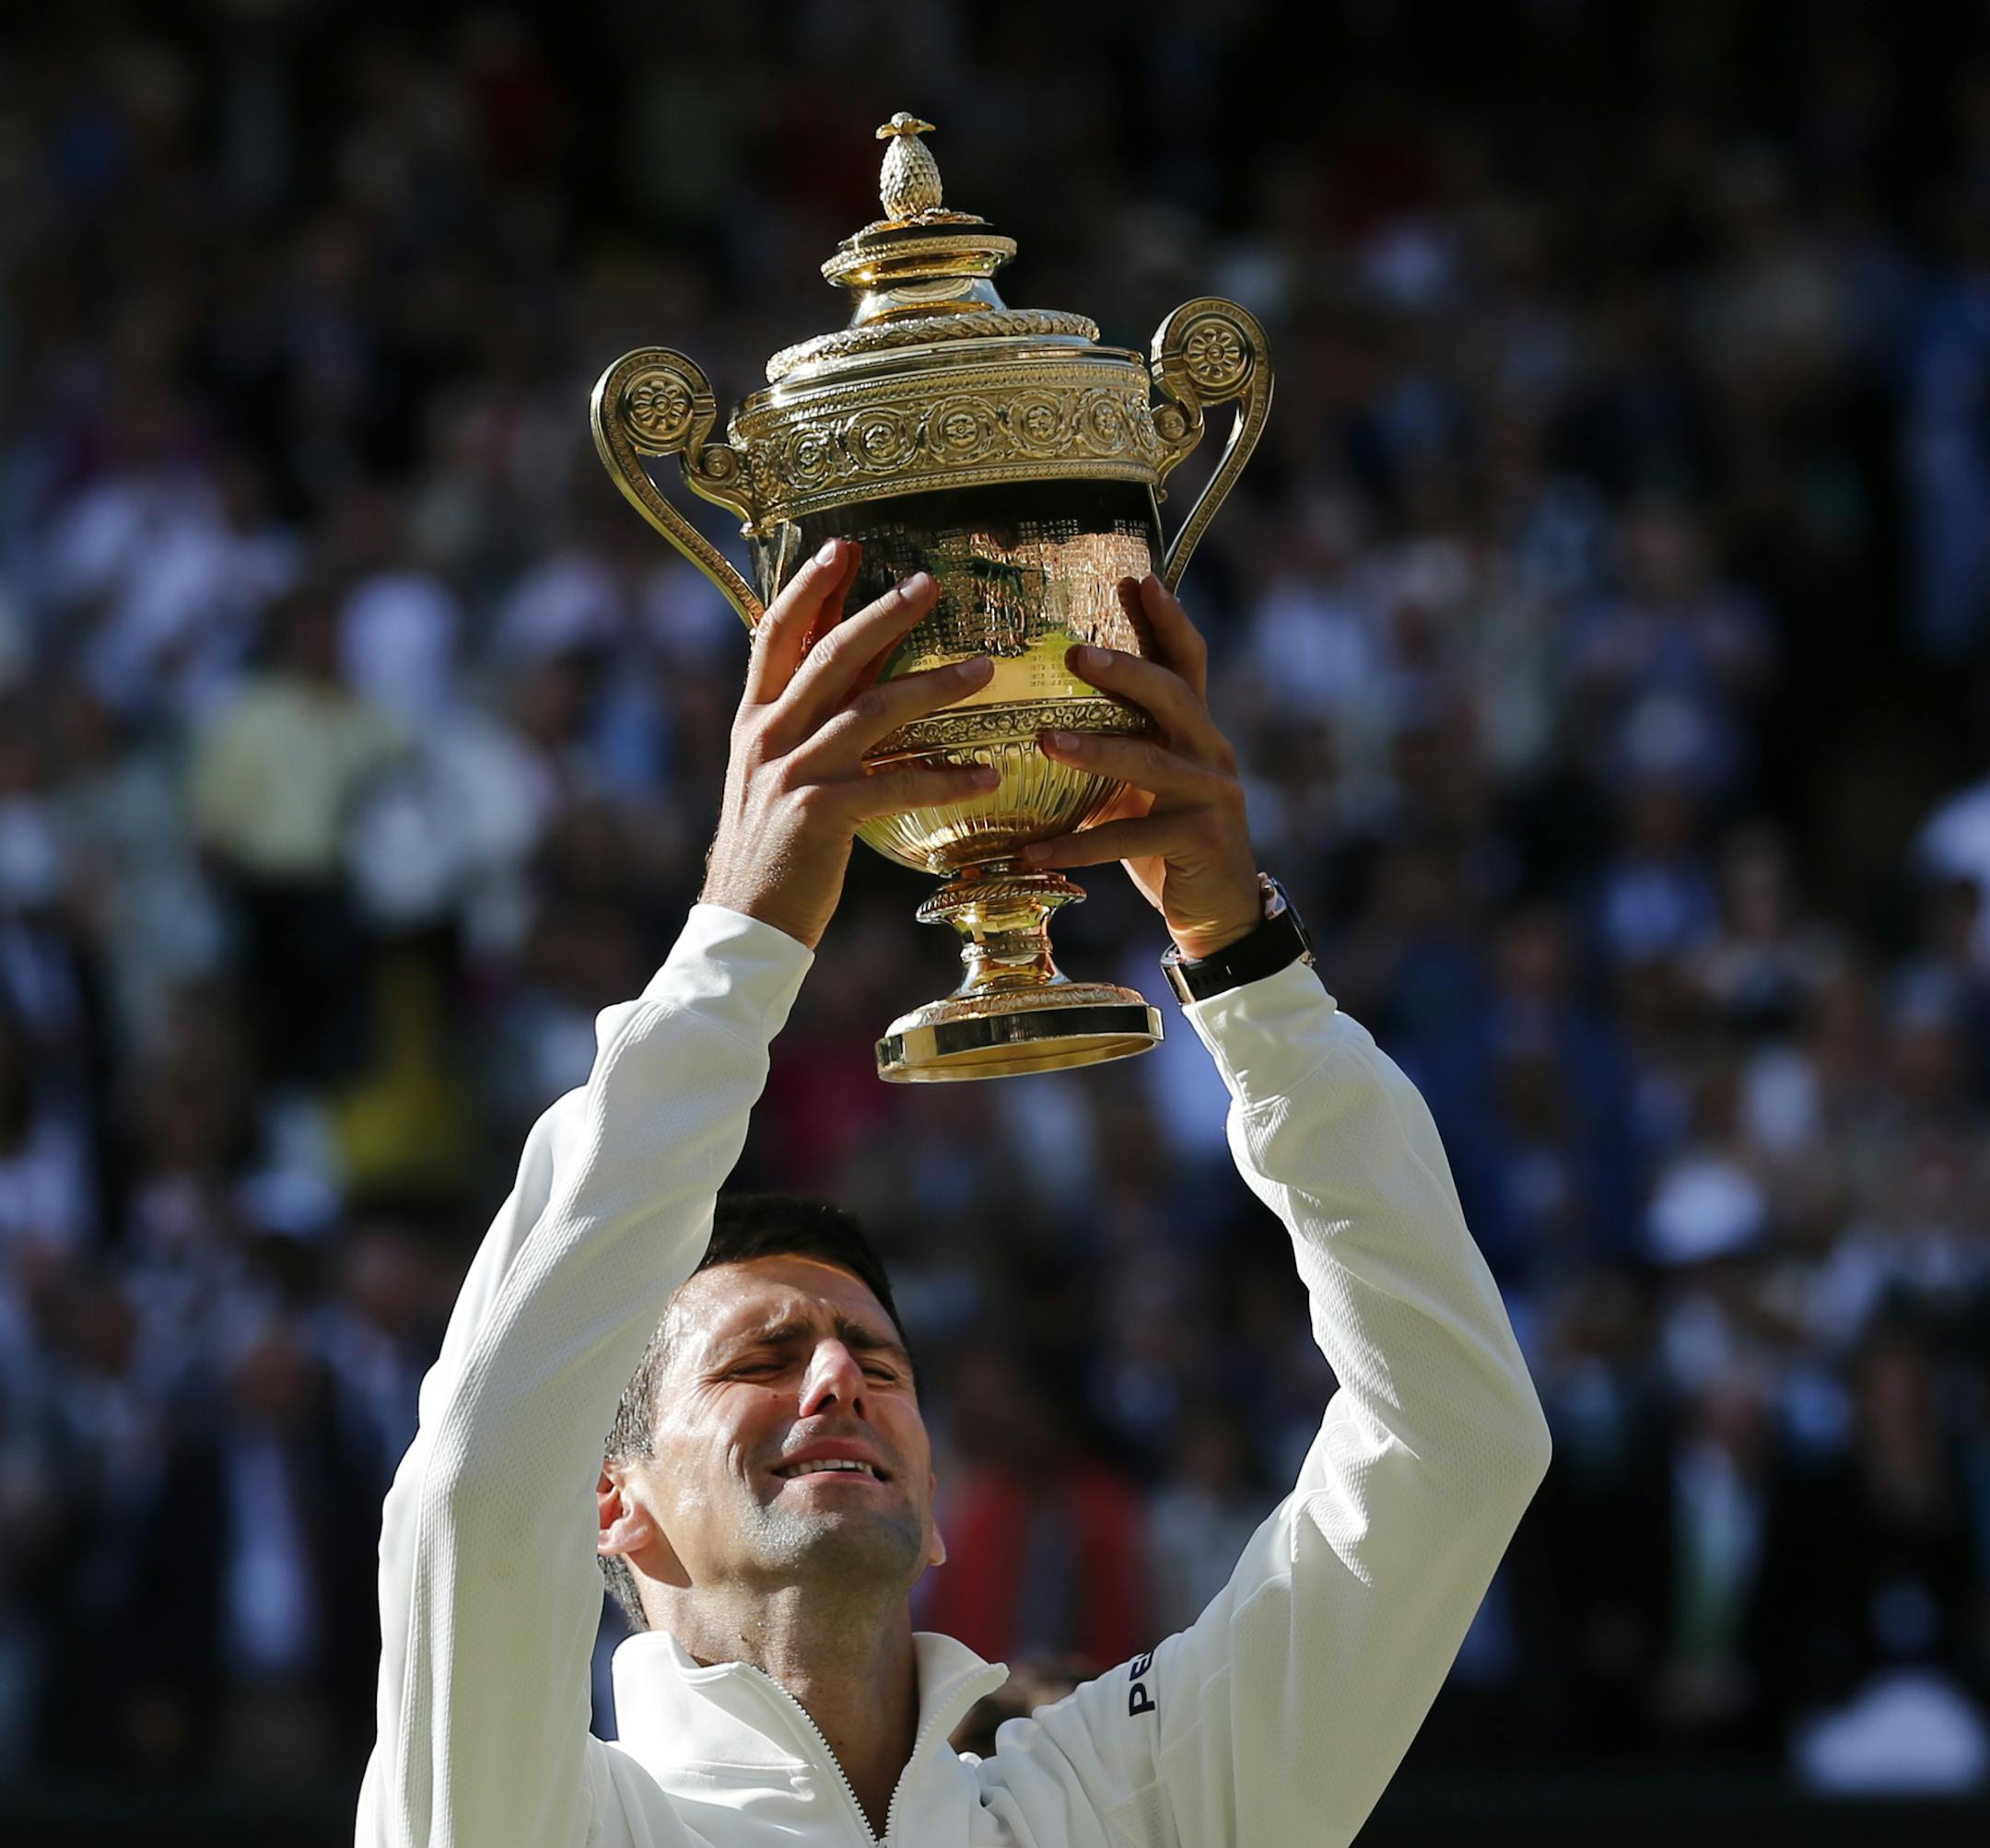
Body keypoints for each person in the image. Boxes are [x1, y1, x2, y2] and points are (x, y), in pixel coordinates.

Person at [355, 540, 1552, 1846]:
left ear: (933, 1506)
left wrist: (1253, 976)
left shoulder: (1116, 1800)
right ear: (614, 1501)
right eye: (761, 1354)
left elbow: (1459, 1442)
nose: (837, 1382)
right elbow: (474, 1490)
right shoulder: (531, 1816)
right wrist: (736, 948)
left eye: (875, 1356)